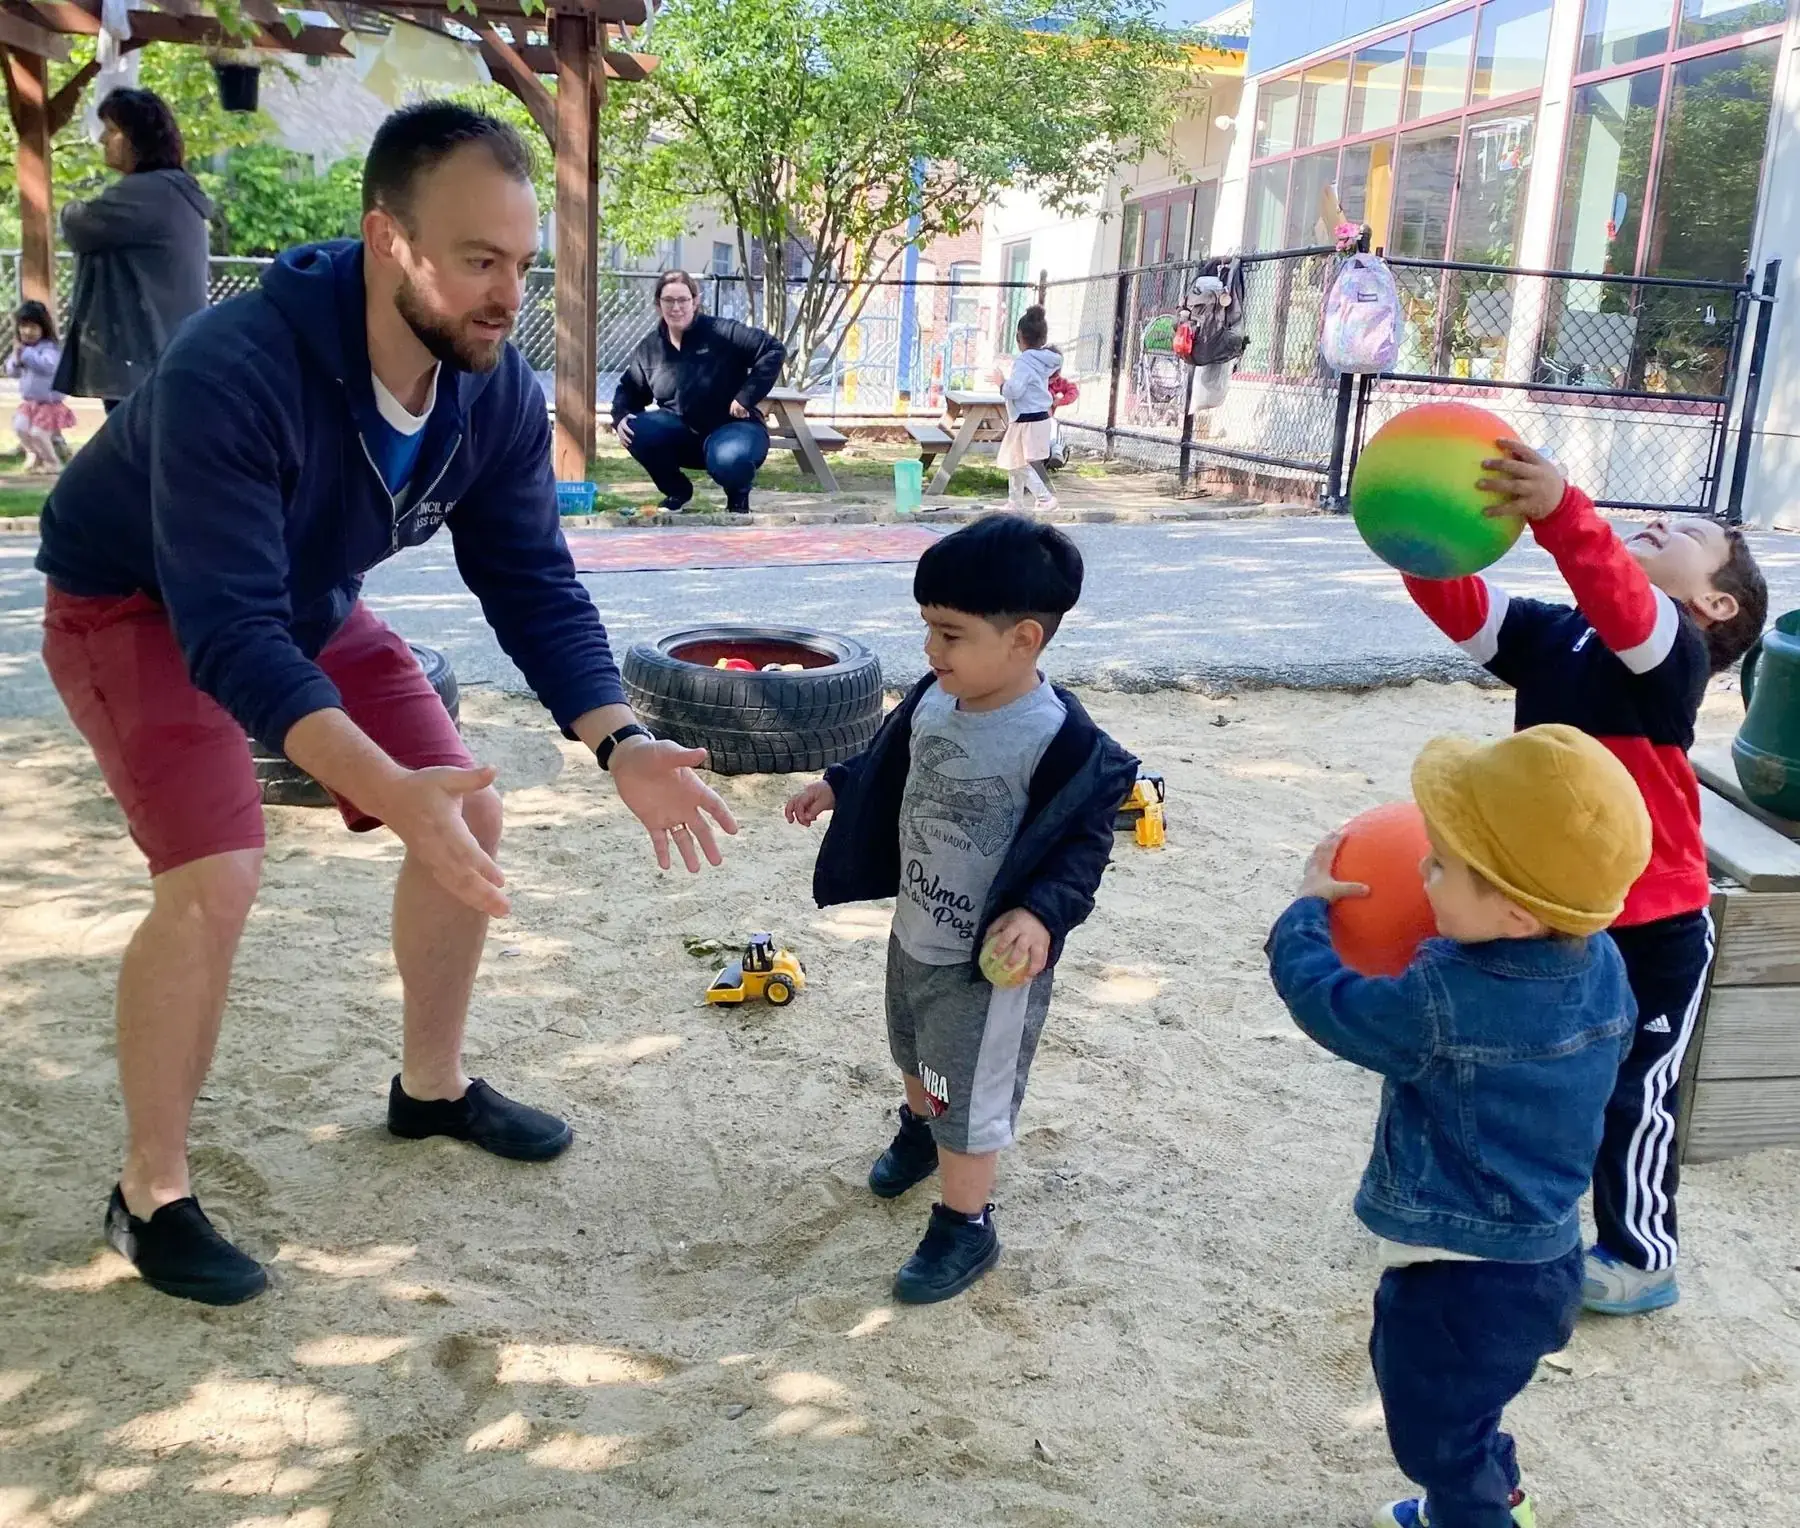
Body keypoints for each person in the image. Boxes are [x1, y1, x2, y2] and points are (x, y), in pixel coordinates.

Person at [35, 102, 737, 1308]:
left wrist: (617, 738)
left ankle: (430, 1088)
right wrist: (384, 786)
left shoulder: (496, 394)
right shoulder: (236, 368)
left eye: (520, 264)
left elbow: (527, 577)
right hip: (131, 604)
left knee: (469, 814)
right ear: (387, 241)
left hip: (297, 598)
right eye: (477, 260)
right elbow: (229, 636)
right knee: (216, 875)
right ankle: (148, 1190)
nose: (506, 294)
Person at [1402, 442, 1767, 1316]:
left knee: (1633, 1091)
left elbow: (1620, 595)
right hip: (1559, 909)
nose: (1657, 524)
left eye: (1685, 531)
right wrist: (1421, 534)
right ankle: (1519, 1221)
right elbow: (1468, 610)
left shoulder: (1670, 649)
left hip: (1655, 927)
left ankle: (1642, 1258)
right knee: (1532, 1067)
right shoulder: (1561, 634)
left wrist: (1567, 511)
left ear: (1714, 604)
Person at [1268, 724, 1653, 1528]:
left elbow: (1331, 1005)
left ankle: (1475, 1513)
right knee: (1470, 1405)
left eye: (1440, 865)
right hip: (1545, 1260)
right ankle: (1495, 1488)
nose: (1418, 867)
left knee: (1433, 1428)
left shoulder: (1441, 999)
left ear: (1514, 915)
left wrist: (1304, 916)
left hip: (1458, 1276)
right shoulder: (1603, 962)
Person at [784, 515, 1137, 1303]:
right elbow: (889, 751)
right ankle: (919, 1132)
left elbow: (1082, 848)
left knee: (970, 1094)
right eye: (927, 629)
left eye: (950, 633)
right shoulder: (937, 699)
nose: (931, 651)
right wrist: (839, 783)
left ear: (1024, 641)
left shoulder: (1063, 742)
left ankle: (965, 1224)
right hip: (916, 930)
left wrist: (1040, 916)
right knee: (913, 1050)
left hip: (988, 964)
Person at [55, 87, 214, 414]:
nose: (102, 140)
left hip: (141, 359)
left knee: (137, 457)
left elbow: (78, 226)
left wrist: (69, 209)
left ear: (139, 139)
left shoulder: (148, 192)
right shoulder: (171, 189)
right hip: (166, 354)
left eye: (112, 131)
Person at [609, 270, 784, 514]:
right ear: (658, 305)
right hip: (681, 433)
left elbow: (773, 350)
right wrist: (620, 415)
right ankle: (677, 491)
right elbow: (630, 389)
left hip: (735, 428)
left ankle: (737, 499)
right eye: (668, 300)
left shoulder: (723, 331)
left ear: (695, 301)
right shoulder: (650, 347)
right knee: (634, 428)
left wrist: (746, 396)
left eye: (683, 300)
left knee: (730, 459)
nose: (676, 307)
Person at [991, 304, 1060, 512]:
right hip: (1037, 418)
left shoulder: (1023, 362)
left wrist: (1001, 382)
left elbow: (1015, 391)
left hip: (1026, 420)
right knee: (1015, 459)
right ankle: (1015, 501)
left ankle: (1045, 498)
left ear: (1020, 337)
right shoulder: (1043, 361)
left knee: (1020, 463)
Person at [6, 301, 76, 472]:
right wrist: (16, 360)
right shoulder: (22, 349)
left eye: (33, 327)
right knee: (20, 427)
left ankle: (53, 462)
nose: (27, 332)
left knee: (38, 433)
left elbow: (48, 366)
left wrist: (27, 354)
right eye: (23, 327)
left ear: (43, 328)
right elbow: (12, 372)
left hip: (49, 404)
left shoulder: (49, 348)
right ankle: (36, 456)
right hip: (30, 403)